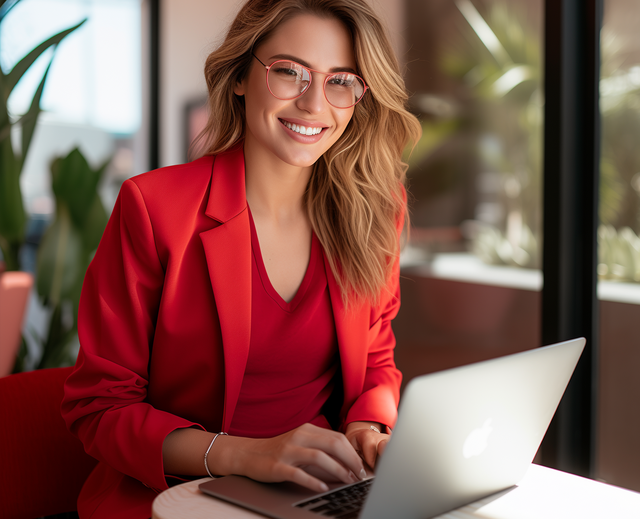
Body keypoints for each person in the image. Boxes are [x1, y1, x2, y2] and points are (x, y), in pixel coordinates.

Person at [61, 0, 421, 517]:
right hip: (179, 497)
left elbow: (375, 360)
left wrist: (369, 431)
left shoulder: (376, 210)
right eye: (289, 73)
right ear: (240, 77)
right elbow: (100, 408)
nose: (314, 103)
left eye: (341, 80)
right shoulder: (154, 208)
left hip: (322, 492)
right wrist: (246, 456)